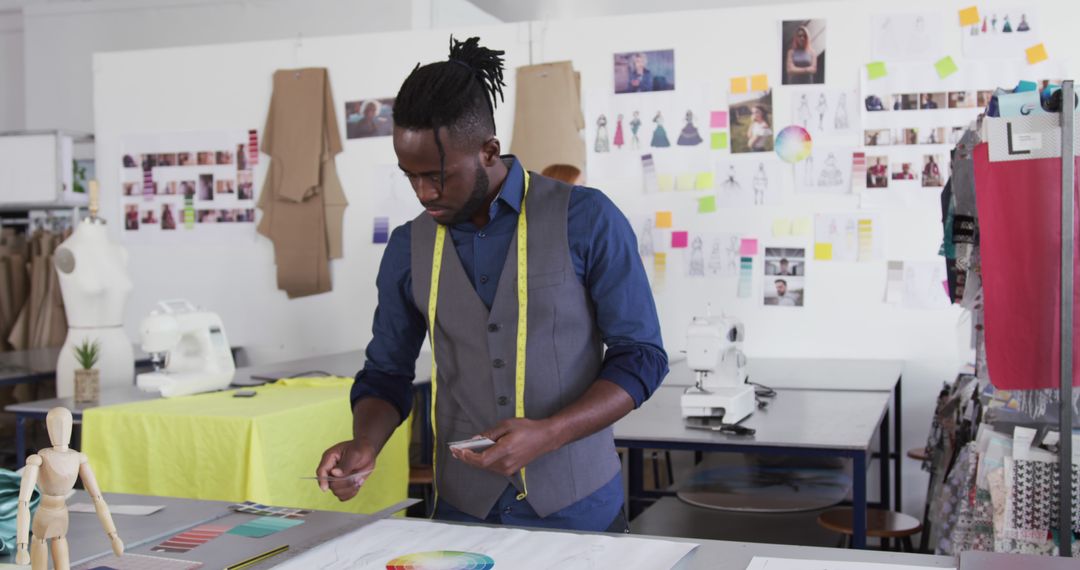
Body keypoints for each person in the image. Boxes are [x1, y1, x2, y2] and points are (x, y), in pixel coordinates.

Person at [316, 36, 668, 533]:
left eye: (438, 177)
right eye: (409, 176)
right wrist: (364, 444)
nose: (423, 193)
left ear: (488, 151)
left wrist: (550, 433)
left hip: (579, 510)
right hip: (462, 512)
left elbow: (642, 355)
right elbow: (386, 373)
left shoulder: (587, 219)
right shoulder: (406, 248)